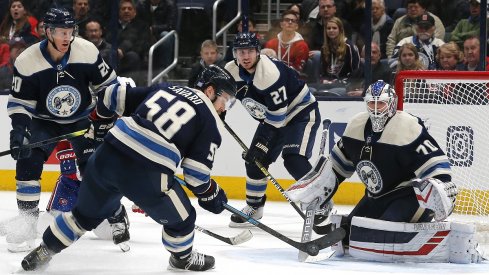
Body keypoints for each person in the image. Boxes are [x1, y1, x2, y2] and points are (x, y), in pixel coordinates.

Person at [21, 65, 237, 272]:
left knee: (82, 217)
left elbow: (112, 95)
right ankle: (183, 259)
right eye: (225, 101)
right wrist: (213, 196)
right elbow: (196, 176)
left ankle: (44, 251)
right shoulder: (210, 121)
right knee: (184, 220)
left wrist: (100, 124)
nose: (223, 108)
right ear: (210, 90)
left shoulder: (165, 87)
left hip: (106, 156)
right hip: (147, 175)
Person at [285, 80, 481, 263]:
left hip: (407, 195)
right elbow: (337, 167)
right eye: (372, 104)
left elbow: (435, 164)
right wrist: (321, 193)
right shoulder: (355, 126)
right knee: (349, 234)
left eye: (382, 104)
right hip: (375, 197)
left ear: (392, 103)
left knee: (384, 234)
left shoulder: (407, 127)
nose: (377, 109)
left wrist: (441, 186)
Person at [1, 7, 127, 253]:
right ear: (47, 32)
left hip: (82, 118)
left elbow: (109, 87)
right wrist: (19, 131)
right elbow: (20, 103)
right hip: (43, 120)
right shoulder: (27, 60)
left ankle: (116, 215)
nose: (66, 37)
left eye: (70, 31)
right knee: (27, 161)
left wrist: (105, 119)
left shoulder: (87, 51)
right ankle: (27, 225)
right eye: (61, 32)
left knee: (96, 168)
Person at [224, 32, 322, 227]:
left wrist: (262, 143)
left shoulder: (269, 74)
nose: (245, 56)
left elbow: (278, 117)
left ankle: (320, 203)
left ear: (257, 52)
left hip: (299, 114)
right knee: (255, 160)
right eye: (241, 51)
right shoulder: (230, 70)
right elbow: (221, 93)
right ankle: (254, 207)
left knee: (294, 159)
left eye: (250, 51)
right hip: (272, 119)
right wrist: (217, 108)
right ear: (235, 53)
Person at [264, 10, 309, 74]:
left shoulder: (302, 46)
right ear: (281, 24)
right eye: (287, 20)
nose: (290, 22)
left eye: (293, 21)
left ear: (297, 26)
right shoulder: (271, 44)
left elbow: (297, 70)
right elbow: (266, 67)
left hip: (293, 80)